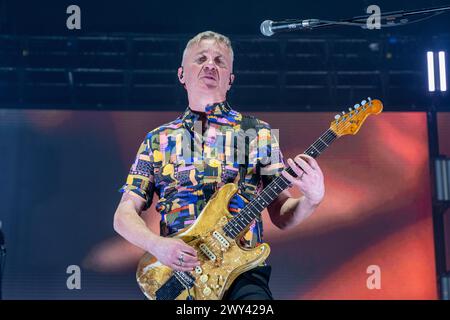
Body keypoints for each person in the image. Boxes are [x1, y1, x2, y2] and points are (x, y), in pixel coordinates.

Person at [113, 31, 325, 300]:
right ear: (182, 75)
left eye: (220, 61)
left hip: (243, 273)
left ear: (230, 80)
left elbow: (281, 213)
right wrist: (158, 246)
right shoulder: (158, 139)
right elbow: (124, 215)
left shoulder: (259, 133)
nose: (210, 65)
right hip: (181, 275)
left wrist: (312, 199)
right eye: (201, 58)